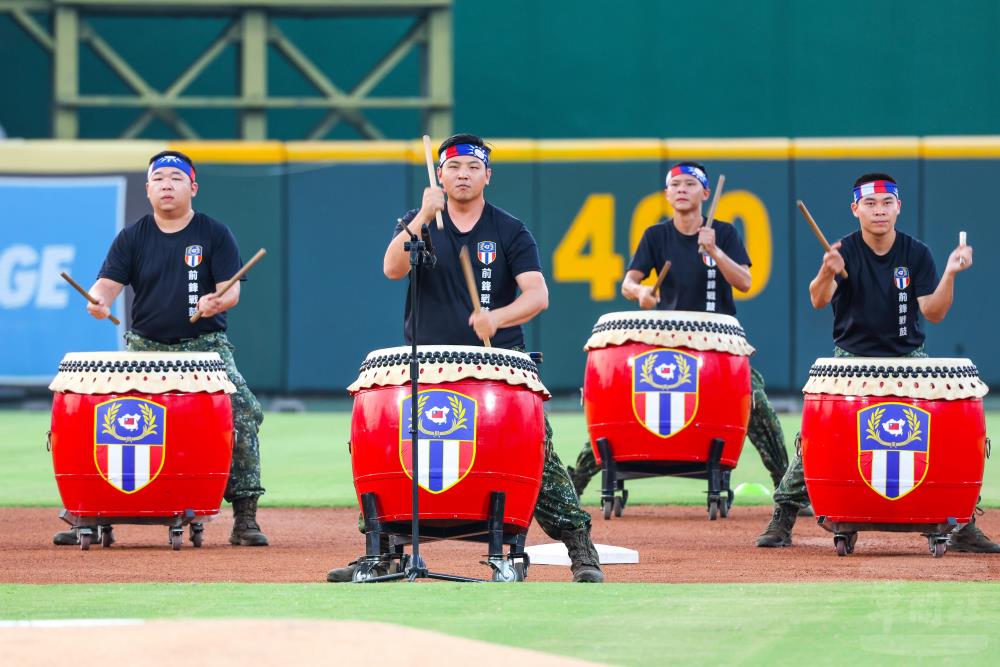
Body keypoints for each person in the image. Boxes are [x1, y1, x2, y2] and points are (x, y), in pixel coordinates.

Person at [326, 133, 604, 583]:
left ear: (487, 176)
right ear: (440, 174)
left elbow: (537, 295)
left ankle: (580, 549)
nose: (462, 175)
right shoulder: (419, 223)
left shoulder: (509, 230)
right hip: (428, 364)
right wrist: (422, 215)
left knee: (539, 453)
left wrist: (497, 317)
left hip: (499, 365)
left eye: (473, 168)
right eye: (453, 168)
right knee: (386, 451)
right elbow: (392, 268)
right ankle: (380, 551)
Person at [756, 172, 999, 552]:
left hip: (908, 360)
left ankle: (960, 521)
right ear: (856, 209)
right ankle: (783, 517)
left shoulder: (915, 253)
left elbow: (934, 312)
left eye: (887, 203)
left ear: (899, 207)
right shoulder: (844, 252)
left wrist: (950, 273)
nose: (879, 211)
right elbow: (818, 299)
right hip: (851, 362)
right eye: (870, 204)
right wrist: (826, 270)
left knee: (944, 441)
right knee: (823, 443)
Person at [52, 150, 268, 547]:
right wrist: (97, 301)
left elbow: (230, 289)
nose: (167, 185)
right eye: (159, 179)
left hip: (205, 349)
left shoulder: (214, 233)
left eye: (176, 178)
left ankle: (245, 516)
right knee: (104, 414)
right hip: (145, 348)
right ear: (148, 189)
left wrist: (215, 300)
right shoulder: (133, 236)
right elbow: (106, 286)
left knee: (243, 412)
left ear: (193, 187)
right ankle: (87, 508)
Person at [565, 162, 790, 498]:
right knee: (622, 407)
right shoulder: (656, 235)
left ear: (705, 193)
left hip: (718, 345)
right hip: (666, 344)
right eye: (675, 185)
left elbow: (744, 281)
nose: (682, 190)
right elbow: (629, 282)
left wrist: (715, 251)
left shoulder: (724, 233)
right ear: (667, 194)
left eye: (689, 184)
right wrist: (642, 292)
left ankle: (787, 488)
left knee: (755, 402)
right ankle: (576, 481)